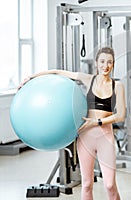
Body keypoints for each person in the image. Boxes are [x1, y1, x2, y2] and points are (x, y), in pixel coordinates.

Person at [20, 47, 125, 200]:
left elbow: (121, 115)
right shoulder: (89, 79)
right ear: (96, 63)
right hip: (86, 137)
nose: (105, 66)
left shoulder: (118, 86)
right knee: (87, 184)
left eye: (109, 62)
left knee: (109, 185)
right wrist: (32, 78)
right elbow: (58, 72)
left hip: (105, 137)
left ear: (113, 64)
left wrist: (97, 121)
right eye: (102, 61)